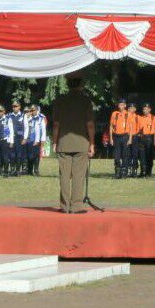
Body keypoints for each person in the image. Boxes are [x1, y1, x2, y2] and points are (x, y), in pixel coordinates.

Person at [51, 76, 96, 214]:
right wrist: (92, 143)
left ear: (68, 85)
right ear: (80, 85)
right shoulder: (85, 101)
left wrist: (55, 141)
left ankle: (64, 206)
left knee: (64, 176)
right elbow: (89, 124)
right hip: (81, 142)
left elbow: (56, 125)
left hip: (64, 142)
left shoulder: (60, 100)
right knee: (79, 175)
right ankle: (76, 206)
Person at [109, 99, 130, 178]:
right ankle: (117, 172)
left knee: (125, 154)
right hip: (116, 136)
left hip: (125, 136)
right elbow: (111, 126)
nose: (121, 106)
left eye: (122, 104)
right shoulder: (115, 114)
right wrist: (111, 138)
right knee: (116, 155)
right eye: (119, 104)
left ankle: (124, 172)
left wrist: (130, 138)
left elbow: (131, 127)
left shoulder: (128, 114)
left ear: (125, 105)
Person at [8, 101, 27, 176]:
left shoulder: (23, 115)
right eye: (13, 106)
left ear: (19, 107)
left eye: (16, 106)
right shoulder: (9, 115)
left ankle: (18, 170)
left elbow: (26, 127)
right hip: (12, 138)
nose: (14, 108)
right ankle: (12, 170)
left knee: (19, 155)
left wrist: (25, 138)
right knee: (12, 154)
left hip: (20, 138)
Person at [27, 104, 46, 176]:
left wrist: (43, 139)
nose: (32, 111)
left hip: (37, 139)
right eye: (31, 110)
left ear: (37, 110)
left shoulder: (41, 118)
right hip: (29, 139)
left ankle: (36, 169)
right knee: (29, 156)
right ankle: (29, 170)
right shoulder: (28, 117)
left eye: (33, 110)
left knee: (36, 155)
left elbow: (43, 129)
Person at [138, 103, 155, 177]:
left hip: (149, 138)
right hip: (142, 138)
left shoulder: (153, 118)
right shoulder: (140, 118)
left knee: (149, 155)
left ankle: (149, 171)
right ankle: (143, 171)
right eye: (144, 109)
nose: (145, 110)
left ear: (149, 109)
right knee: (142, 156)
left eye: (146, 109)